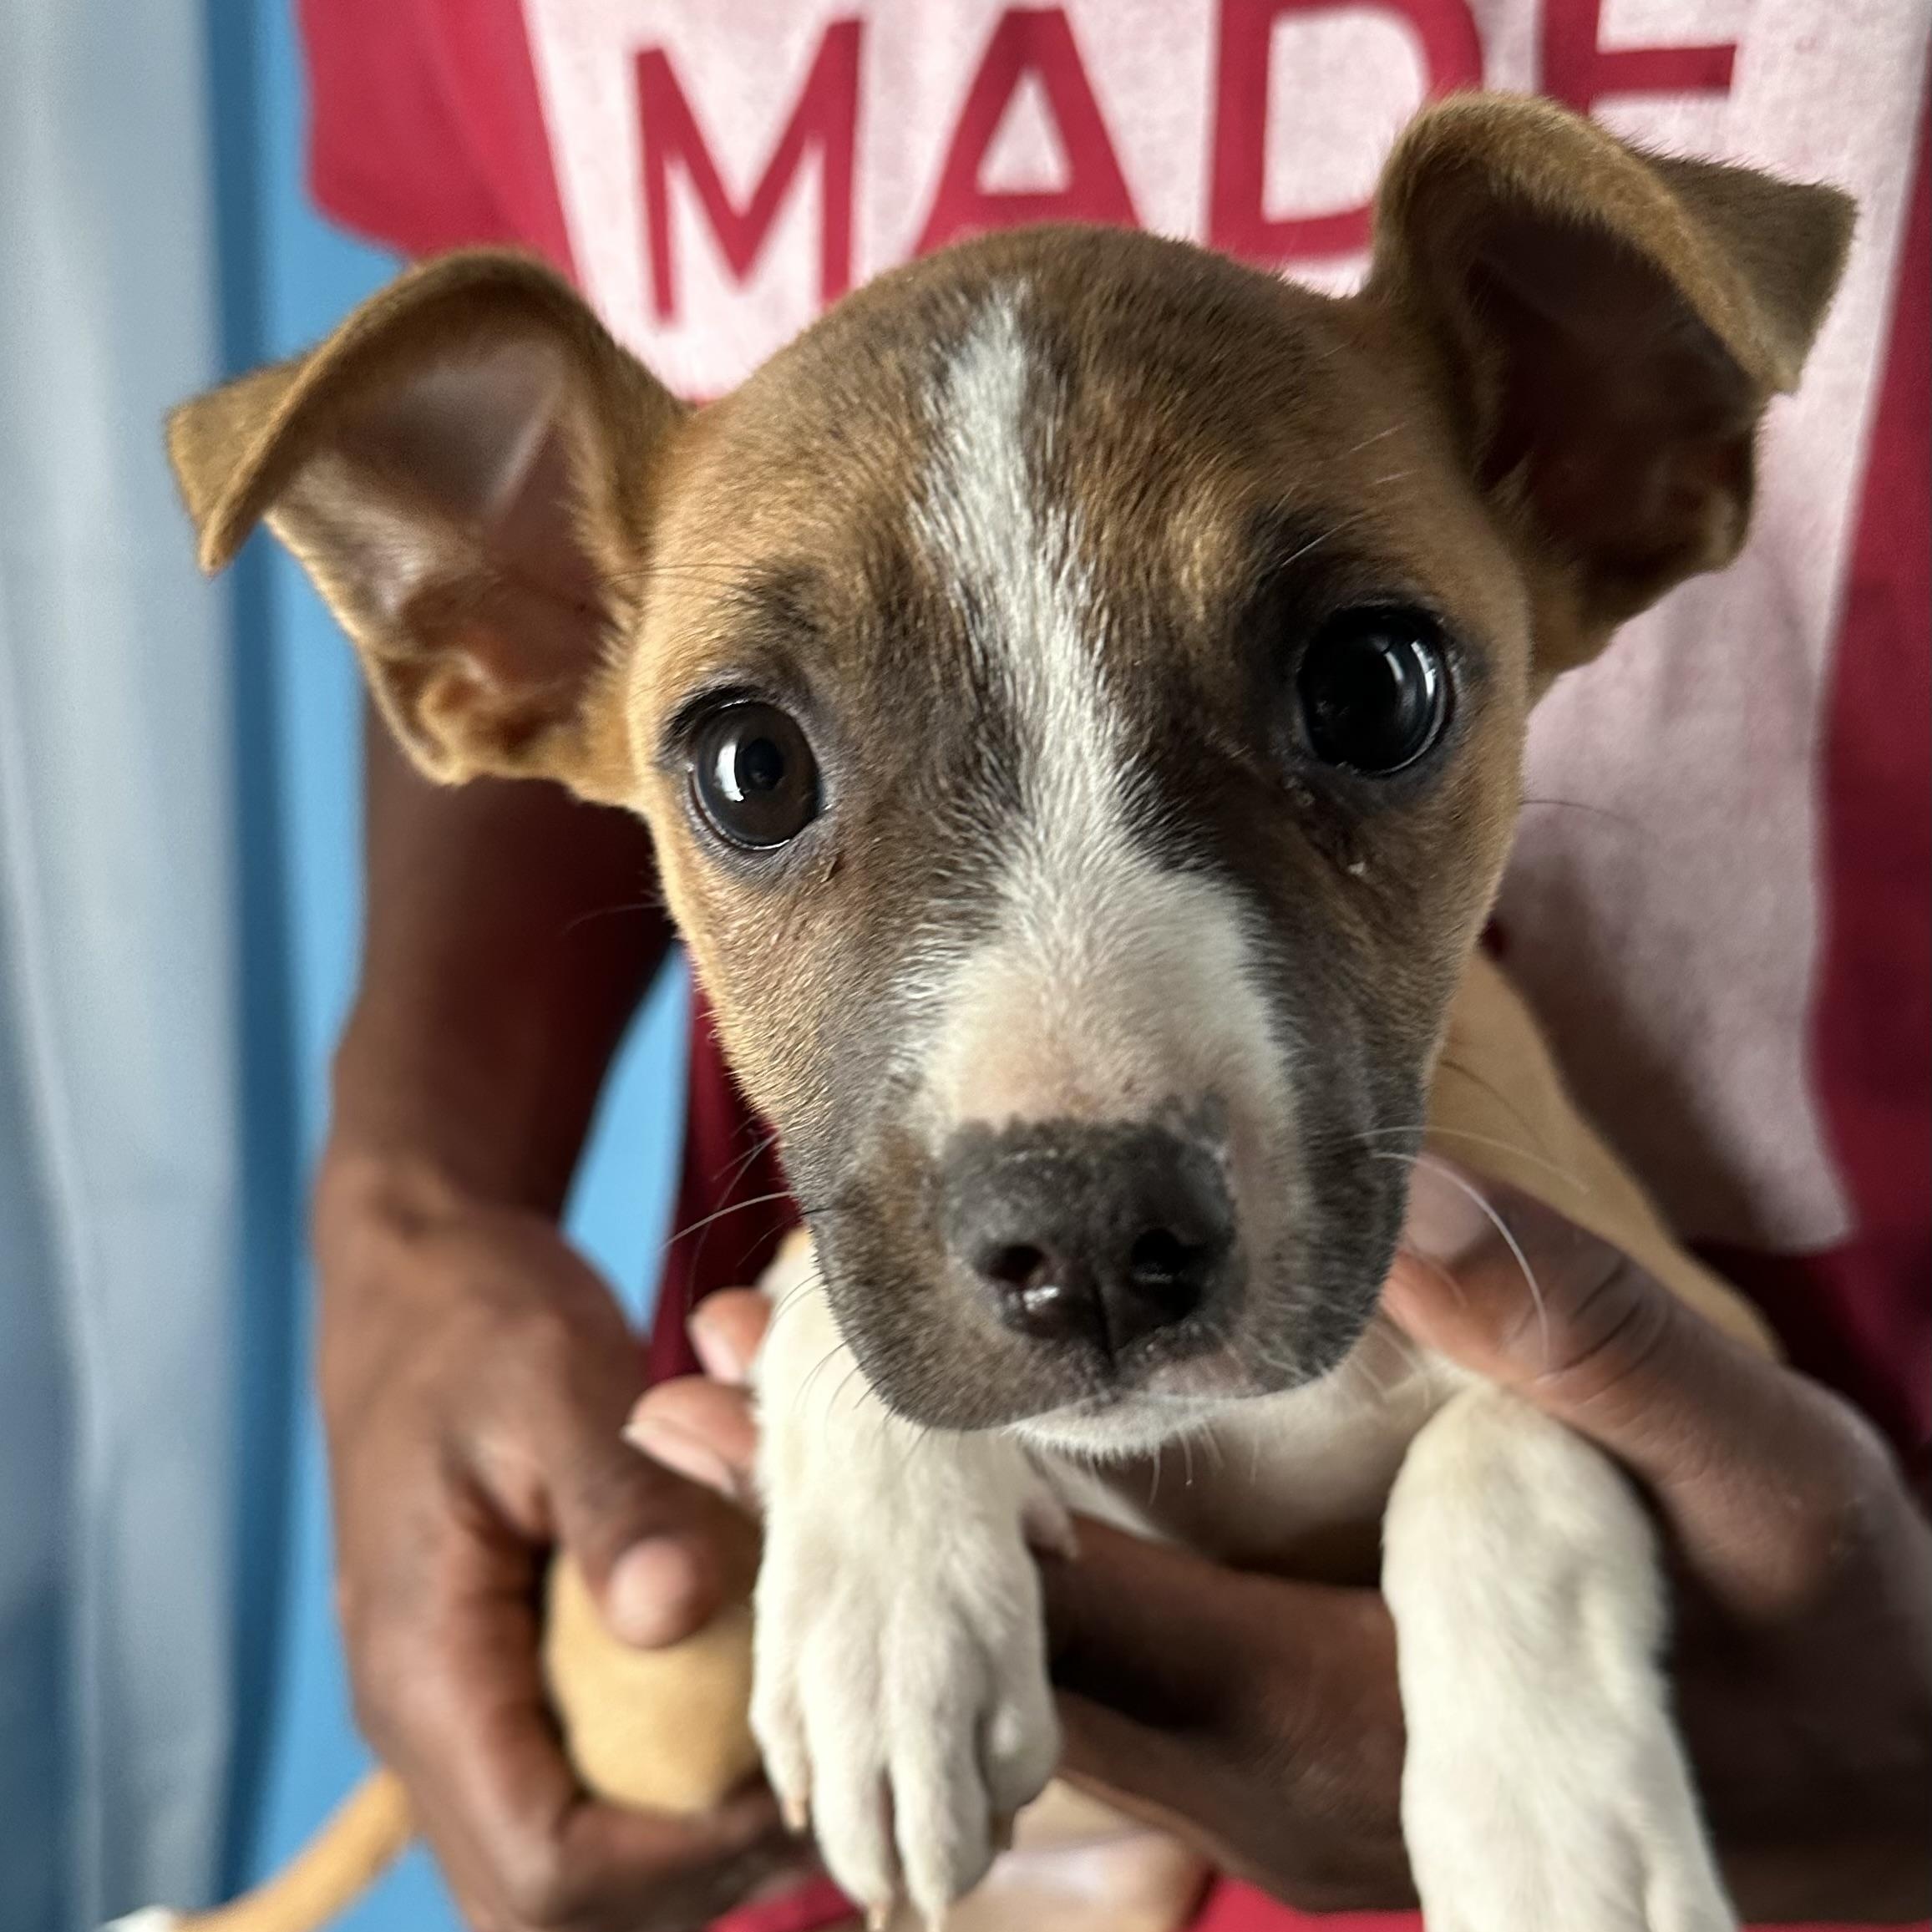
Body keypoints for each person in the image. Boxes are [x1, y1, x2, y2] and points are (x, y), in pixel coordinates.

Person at [301, 3, 1930, 1928]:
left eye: (1357, 694)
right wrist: (403, 1206)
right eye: (764, 770)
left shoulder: (1527, 386)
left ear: (1593, 456)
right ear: (506, 635)